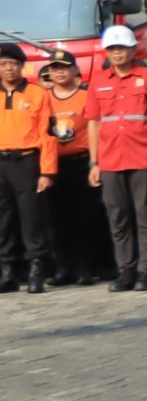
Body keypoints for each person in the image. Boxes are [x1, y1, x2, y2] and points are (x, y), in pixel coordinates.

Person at [85, 25, 147, 290]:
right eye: (112, 48)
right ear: (106, 52)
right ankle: (126, 271)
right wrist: (94, 162)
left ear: (133, 49)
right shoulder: (97, 81)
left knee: (145, 217)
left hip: (143, 157)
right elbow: (93, 123)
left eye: (122, 47)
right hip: (109, 161)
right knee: (117, 218)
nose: (117, 53)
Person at [39, 52, 102, 284]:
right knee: (57, 220)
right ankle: (63, 268)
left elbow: (97, 128)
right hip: (53, 165)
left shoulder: (87, 96)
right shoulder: (43, 97)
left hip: (82, 161)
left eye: (65, 67)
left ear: (76, 70)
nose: (60, 72)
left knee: (85, 218)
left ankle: (86, 268)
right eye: (55, 68)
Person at [0, 44, 55, 293]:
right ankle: (8, 272)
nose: (8, 68)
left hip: (27, 161)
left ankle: (36, 270)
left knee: (31, 219)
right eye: (3, 64)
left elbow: (48, 135)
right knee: (3, 220)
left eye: (13, 64)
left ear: (22, 66)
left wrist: (47, 171)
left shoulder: (37, 94)